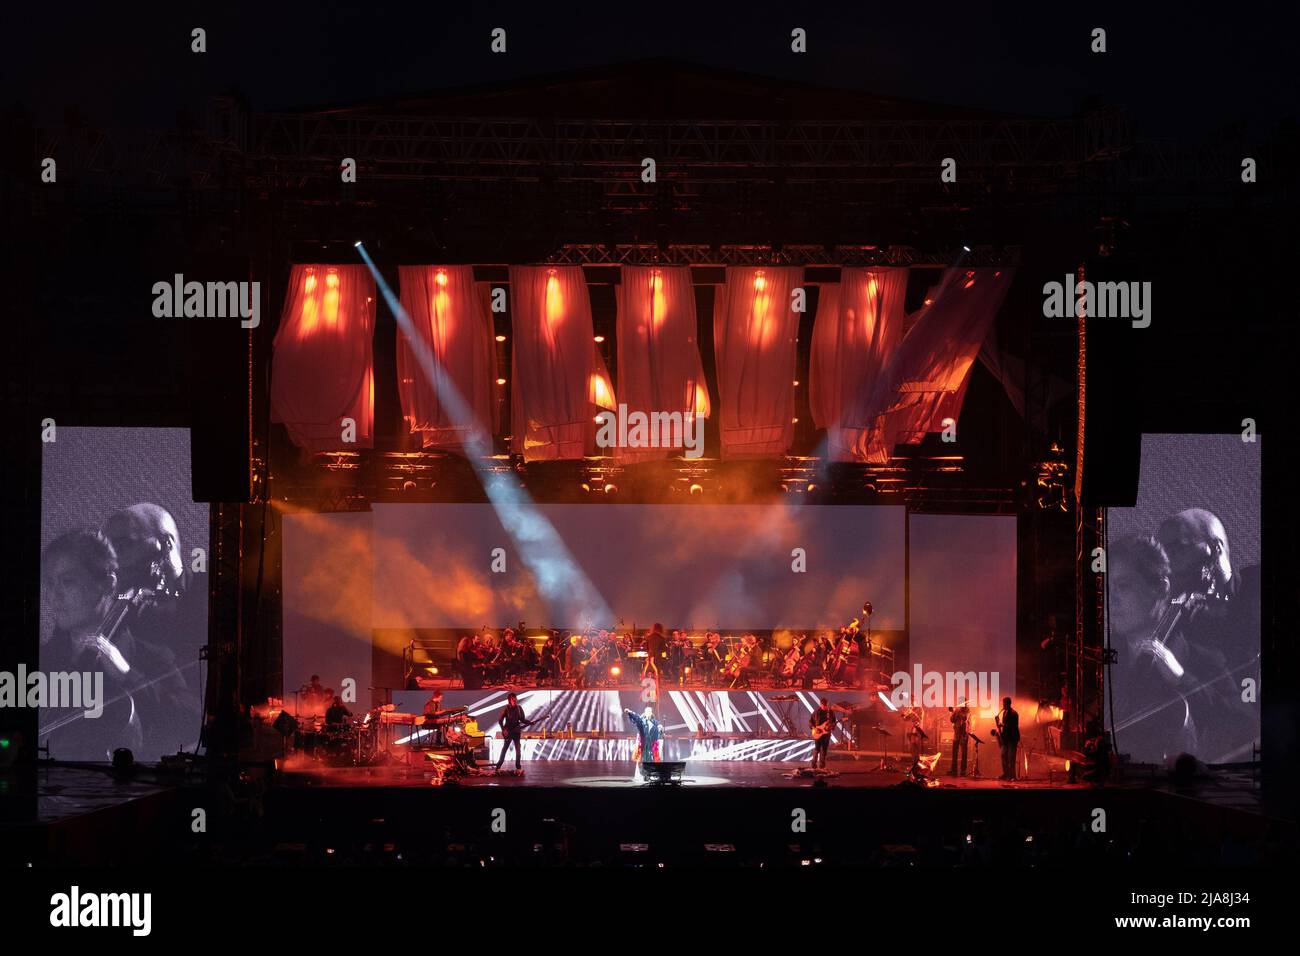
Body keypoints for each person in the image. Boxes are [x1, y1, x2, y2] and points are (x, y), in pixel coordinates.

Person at [624, 705, 664, 782]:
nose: (649, 713)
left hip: (650, 744)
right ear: (645, 713)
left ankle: (648, 775)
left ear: (652, 713)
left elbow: (659, 731)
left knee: (650, 760)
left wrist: (661, 729)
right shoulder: (641, 721)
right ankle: (641, 775)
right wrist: (630, 712)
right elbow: (636, 718)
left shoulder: (655, 722)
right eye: (647, 712)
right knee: (641, 760)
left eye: (650, 711)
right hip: (642, 744)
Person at [495, 693, 532, 772]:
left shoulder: (519, 708)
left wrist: (530, 722)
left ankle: (518, 767)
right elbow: (500, 721)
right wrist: (503, 730)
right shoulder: (507, 709)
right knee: (504, 749)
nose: (515, 700)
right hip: (508, 732)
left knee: (518, 750)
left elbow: (522, 720)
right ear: (509, 700)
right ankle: (498, 766)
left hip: (516, 732)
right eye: (513, 699)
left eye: (515, 699)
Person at [995, 697, 1020, 781]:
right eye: (1003, 703)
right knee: (1003, 756)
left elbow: (1013, 727)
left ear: (1009, 704)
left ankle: (1012, 776)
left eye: (1004, 704)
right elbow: (1004, 726)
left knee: (1011, 757)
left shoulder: (1014, 714)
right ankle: (1006, 774)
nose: (1003, 705)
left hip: (1012, 738)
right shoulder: (1004, 713)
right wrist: (999, 726)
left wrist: (1002, 725)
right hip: (1006, 738)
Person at [810, 698, 836, 770]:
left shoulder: (830, 712)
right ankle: (813, 764)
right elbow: (811, 722)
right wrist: (813, 728)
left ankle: (822, 766)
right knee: (817, 749)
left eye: (826, 705)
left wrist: (831, 726)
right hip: (818, 733)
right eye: (824, 705)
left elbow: (834, 722)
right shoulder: (816, 712)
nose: (825, 707)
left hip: (826, 734)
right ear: (820, 704)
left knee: (824, 749)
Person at [949, 701, 970, 776]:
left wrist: (958, 712)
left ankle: (963, 771)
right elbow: (951, 720)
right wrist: (953, 713)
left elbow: (965, 718)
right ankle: (954, 770)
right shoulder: (957, 710)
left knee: (964, 754)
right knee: (954, 753)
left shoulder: (967, 710)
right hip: (956, 734)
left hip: (963, 735)